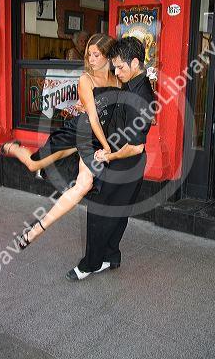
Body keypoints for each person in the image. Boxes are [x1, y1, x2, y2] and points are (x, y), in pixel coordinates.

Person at [0, 34, 122, 246]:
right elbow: (93, 117)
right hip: (77, 132)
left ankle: (35, 231)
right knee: (32, 164)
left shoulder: (118, 80)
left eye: (96, 54)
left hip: (93, 140)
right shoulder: (86, 79)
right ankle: (15, 148)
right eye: (89, 54)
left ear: (108, 55)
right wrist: (106, 147)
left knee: (84, 185)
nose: (91, 59)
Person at [66, 36, 155, 280]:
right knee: (116, 212)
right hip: (122, 159)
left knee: (98, 211)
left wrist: (108, 154)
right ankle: (110, 257)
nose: (117, 71)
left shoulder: (142, 95)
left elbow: (135, 147)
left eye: (121, 67)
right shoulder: (131, 83)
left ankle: (90, 264)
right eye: (114, 66)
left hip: (125, 161)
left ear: (135, 62)